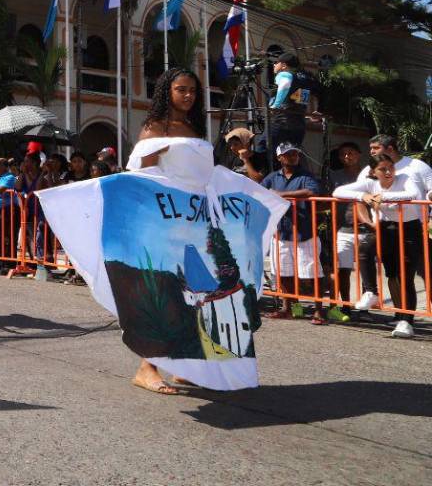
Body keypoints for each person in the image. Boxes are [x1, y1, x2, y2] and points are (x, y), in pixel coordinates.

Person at [37, 67, 289, 393]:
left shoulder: (194, 126)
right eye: (181, 90)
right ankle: (147, 368)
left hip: (197, 222)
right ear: (167, 92)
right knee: (169, 291)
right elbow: (142, 174)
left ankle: (185, 365)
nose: (188, 96)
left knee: (203, 292)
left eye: (193, 91)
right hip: (166, 224)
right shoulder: (155, 127)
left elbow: (201, 173)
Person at [335, 153, 424, 338]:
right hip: (386, 227)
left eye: (390, 167)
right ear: (374, 172)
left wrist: (380, 197)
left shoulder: (404, 178)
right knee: (366, 250)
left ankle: (407, 322)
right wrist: (364, 196)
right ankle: (371, 292)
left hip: (409, 229)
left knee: (405, 277)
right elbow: (338, 192)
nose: (388, 172)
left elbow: (413, 193)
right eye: (383, 169)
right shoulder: (370, 183)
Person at [261, 144, 344, 325]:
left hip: (305, 232)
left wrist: (280, 195)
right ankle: (289, 308)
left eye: (295, 154)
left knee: (312, 274)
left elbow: (310, 192)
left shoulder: (306, 176)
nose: (292, 157)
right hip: (280, 233)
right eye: (287, 154)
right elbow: (261, 193)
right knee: (284, 273)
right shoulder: (272, 177)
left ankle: (318, 310)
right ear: (279, 158)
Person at [327, 142, 379, 311]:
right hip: (344, 227)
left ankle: (365, 307)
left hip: (369, 228)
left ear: (359, 154)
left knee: (367, 268)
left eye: (351, 153)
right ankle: (346, 304)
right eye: (343, 154)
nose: (347, 157)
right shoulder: (334, 176)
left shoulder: (370, 174)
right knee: (344, 268)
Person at [265, 52, 319, 156]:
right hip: (298, 126)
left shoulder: (284, 74)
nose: (274, 65)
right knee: (291, 154)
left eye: (277, 63)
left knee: (263, 148)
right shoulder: (304, 79)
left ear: (284, 65)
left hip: (281, 122)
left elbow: (284, 85)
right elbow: (301, 101)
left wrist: (275, 106)